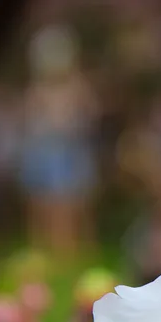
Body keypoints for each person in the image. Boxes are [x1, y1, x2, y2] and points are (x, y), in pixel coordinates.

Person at [19, 24, 98, 256]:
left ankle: (70, 249)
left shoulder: (76, 86)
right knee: (40, 200)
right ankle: (41, 248)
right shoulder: (37, 89)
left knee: (70, 201)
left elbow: (90, 112)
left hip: (69, 149)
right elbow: (29, 116)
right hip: (43, 148)